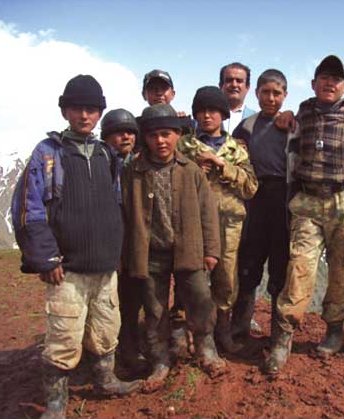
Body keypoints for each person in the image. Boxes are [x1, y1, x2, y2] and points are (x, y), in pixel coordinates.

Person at [11, 75, 141, 419]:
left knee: (105, 330)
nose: (84, 115)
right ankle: (55, 405)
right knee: (63, 338)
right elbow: (28, 208)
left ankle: (105, 380)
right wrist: (45, 256)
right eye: (77, 108)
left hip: (105, 266)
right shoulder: (48, 153)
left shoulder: (105, 154)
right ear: (65, 111)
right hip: (66, 270)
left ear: (99, 113)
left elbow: (116, 205)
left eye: (91, 109)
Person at [264, 55, 344, 375]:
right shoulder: (303, 110)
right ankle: (283, 336)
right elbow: (284, 120)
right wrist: (285, 114)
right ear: (314, 83)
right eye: (324, 77)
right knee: (299, 267)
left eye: (336, 79)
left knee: (341, 270)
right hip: (307, 200)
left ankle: (334, 330)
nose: (329, 83)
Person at [121, 103, 226, 392]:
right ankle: (160, 360)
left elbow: (208, 212)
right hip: (150, 254)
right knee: (155, 310)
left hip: (188, 249)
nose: (160, 141)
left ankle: (206, 350)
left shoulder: (190, 170)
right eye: (153, 135)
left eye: (166, 134)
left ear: (178, 135)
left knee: (200, 300)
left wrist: (211, 250)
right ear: (146, 138)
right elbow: (126, 215)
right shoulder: (135, 172)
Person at [178, 86, 258, 355]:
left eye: (212, 110)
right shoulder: (184, 146)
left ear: (223, 114)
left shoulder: (236, 149)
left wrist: (224, 166)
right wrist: (195, 171)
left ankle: (222, 330)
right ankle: (196, 333)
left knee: (226, 277)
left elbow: (250, 187)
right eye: (201, 111)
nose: (206, 115)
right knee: (193, 276)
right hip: (194, 221)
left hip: (229, 221)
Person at [231, 69, 296, 345]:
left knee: (281, 267)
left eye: (276, 93)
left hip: (283, 200)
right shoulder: (246, 126)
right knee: (249, 262)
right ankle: (239, 326)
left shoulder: (293, 125)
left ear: (285, 95)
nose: (270, 98)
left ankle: (278, 334)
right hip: (255, 197)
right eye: (265, 92)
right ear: (256, 93)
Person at [141, 69, 191, 356]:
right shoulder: (136, 128)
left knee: (188, 287)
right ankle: (152, 344)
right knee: (150, 290)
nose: (159, 93)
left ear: (172, 92)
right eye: (153, 89)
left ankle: (181, 333)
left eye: (164, 89)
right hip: (152, 222)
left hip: (184, 219)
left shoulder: (188, 125)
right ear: (145, 94)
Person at [100, 108, 148, 372]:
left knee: (132, 298)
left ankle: (129, 347)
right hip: (108, 242)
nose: (125, 137)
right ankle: (109, 353)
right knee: (108, 301)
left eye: (130, 132)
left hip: (134, 241)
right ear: (107, 136)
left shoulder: (139, 164)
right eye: (119, 132)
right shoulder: (99, 164)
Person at [219, 62, 256, 133]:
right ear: (220, 86)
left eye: (239, 81)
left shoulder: (256, 120)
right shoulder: (206, 119)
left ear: (247, 87)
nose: (234, 85)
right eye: (229, 80)